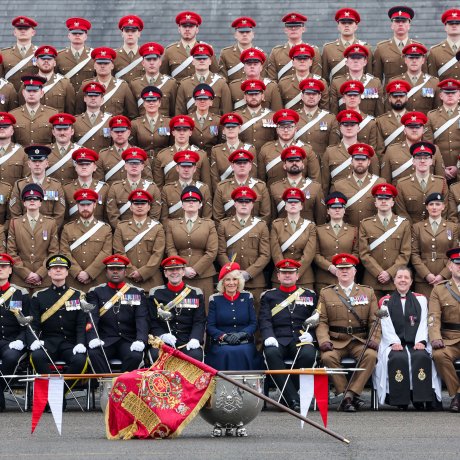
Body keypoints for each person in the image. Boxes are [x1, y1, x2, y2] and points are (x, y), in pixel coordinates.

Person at [316, 253, 380, 412]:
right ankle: (348, 396)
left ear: (354, 271)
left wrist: (374, 338)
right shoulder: (326, 293)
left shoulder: (367, 292)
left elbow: (375, 320)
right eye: (341, 269)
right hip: (336, 341)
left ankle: (348, 395)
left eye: (348, 268)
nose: (344, 271)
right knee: (327, 357)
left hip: (359, 341)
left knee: (371, 356)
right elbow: (321, 321)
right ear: (336, 272)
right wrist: (324, 340)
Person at [375, 266, 442, 410]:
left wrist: (421, 341)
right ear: (394, 281)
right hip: (395, 343)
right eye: (399, 277)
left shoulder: (421, 299)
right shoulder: (385, 301)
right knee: (397, 358)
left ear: (411, 281)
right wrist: (394, 342)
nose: (403, 280)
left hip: (416, 342)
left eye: (406, 277)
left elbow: (424, 321)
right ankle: (400, 400)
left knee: (421, 357)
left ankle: (421, 398)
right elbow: (385, 325)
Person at [259, 258, 318, 412]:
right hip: (277, 337)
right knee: (271, 353)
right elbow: (264, 319)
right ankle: (293, 399)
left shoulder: (310, 295)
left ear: (297, 275)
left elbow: (317, 318)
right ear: (278, 276)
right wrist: (268, 336)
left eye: (291, 273)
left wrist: (311, 335)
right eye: (284, 273)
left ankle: (287, 397)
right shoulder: (268, 296)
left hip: (300, 337)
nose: (287, 275)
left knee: (309, 355)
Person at [29, 254, 88, 399]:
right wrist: (34, 340)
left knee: (80, 359)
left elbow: (81, 324)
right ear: (48, 272)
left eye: (61, 268)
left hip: (70, 343)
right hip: (48, 342)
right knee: (36, 356)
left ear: (67, 272)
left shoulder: (78, 295)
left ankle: (58, 395)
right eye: (54, 268)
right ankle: (52, 394)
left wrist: (80, 343)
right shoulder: (39, 296)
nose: (58, 270)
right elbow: (33, 323)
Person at [86, 254, 149, 373]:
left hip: (128, 340)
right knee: (94, 353)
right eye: (111, 269)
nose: (115, 272)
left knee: (135, 356)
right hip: (105, 340)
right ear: (106, 272)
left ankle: (122, 387)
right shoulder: (96, 292)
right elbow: (92, 317)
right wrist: (93, 337)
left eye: (119, 269)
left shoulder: (137, 292)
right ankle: (105, 386)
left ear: (125, 272)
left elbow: (141, 318)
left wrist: (141, 340)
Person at [217, 186, 270, 309]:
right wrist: (231, 272)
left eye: (248, 202)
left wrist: (248, 273)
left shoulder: (261, 226)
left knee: (255, 313)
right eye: (241, 201)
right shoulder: (224, 224)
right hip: (230, 280)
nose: (244, 204)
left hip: (254, 280)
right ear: (234, 204)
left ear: (252, 205)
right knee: (230, 312)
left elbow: (265, 255)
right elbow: (220, 252)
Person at [165, 185, 217, 307]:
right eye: (187, 201)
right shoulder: (172, 224)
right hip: (179, 273)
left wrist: (195, 269)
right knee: (181, 308)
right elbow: (170, 249)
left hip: (203, 274)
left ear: (200, 205)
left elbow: (212, 251)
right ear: (182, 205)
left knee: (204, 308)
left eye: (195, 201)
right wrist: (183, 268)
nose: (191, 203)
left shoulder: (209, 224)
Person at [359, 183, 411, 299]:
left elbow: (405, 253)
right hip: (372, 280)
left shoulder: (403, 224)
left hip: (395, 280)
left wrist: (390, 273)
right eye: (380, 199)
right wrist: (379, 273)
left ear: (392, 202)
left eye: (387, 198)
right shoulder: (365, 224)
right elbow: (364, 253)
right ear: (375, 203)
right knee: (373, 316)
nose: (383, 201)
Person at [149, 256, 206, 362]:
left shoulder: (195, 293)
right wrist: (162, 336)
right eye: (170, 269)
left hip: (187, 340)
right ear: (165, 273)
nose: (174, 272)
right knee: (156, 355)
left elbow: (199, 320)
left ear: (183, 272)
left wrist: (195, 338)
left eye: (178, 269)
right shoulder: (156, 293)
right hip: (165, 341)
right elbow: (153, 320)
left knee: (195, 356)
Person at [205, 261, 260, 370]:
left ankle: (246, 386)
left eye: (235, 279)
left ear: (239, 281)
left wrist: (242, 334)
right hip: (222, 343)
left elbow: (253, 323)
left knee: (245, 351)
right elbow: (210, 326)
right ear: (222, 283)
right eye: (227, 279)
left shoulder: (247, 297)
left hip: (244, 341)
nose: (231, 283)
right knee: (226, 352)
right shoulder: (215, 299)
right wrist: (224, 336)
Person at [7, 183, 58, 290]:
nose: (32, 201)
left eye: (35, 199)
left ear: (40, 202)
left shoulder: (50, 223)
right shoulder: (15, 223)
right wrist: (26, 274)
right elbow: (11, 252)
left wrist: (40, 274)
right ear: (24, 203)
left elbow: (54, 252)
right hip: (20, 280)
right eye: (28, 199)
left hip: (44, 280)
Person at [113, 189, 165, 293]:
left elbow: (158, 254)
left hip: (152, 280)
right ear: (131, 207)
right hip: (127, 279)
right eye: (136, 203)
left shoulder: (157, 227)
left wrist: (142, 273)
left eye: (143, 203)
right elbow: (119, 252)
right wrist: (131, 271)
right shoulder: (121, 227)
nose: (139, 206)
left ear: (149, 207)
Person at [60, 189, 112, 291]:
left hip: (97, 281)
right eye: (82, 205)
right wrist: (77, 272)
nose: (85, 208)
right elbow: (64, 253)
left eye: (88, 204)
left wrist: (89, 273)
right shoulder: (68, 228)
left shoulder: (105, 229)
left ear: (95, 205)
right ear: (77, 206)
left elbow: (106, 253)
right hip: (73, 281)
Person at [429, 247, 460, 412]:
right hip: (450, 338)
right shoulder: (440, 289)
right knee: (439, 355)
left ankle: (457, 398)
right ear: (450, 266)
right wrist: (435, 337)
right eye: (457, 263)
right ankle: (456, 394)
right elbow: (433, 317)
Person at [321, 109, 379, 196]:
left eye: (352, 125)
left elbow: (374, 180)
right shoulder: (330, 152)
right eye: (345, 125)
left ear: (358, 128)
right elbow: (325, 184)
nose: (349, 128)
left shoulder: (369, 152)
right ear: (340, 128)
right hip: (337, 202)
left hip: (362, 198)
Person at [257, 110, 320, 187]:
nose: (286, 130)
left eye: (290, 127)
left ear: (295, 129)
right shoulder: (266, 150)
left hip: (299, 196)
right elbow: (261, 181)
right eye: (282, 127)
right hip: (275, 197)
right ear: (277, 129)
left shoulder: (307, 150)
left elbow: (315, 181)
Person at [9, 145, 65, 230]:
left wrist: (49, 231)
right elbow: (15, 213)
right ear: (29, 164)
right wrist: (26, 231)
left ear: (46, 163)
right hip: (25, 231)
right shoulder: (19, 185)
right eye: (34, 161)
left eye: (40, 161)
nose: (37, 164)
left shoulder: (56, 186)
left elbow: (59, 214)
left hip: (48, 232)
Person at [0, 253, 30, 412]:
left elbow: (27, 324)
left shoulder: (20, 293)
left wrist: (20, 339)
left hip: (12, 341)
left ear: (10, 270)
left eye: (4, 266)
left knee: (11, 358)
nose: (0, 269)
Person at [270, 187, 317, 289]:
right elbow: (275, 252)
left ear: (301, 206)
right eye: (289, 202)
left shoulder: (310, 226)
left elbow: (309, 253)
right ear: (285, 206)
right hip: (280, 277)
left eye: (296, 202)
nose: (293, 204)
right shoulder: (276, 225)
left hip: (303, 277)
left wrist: (296, 273)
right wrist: (284, 272)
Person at [381, 111, 445, 184]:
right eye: (411, 127)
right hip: (399, 194)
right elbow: (385, 181)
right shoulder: (392, 150)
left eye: (417, 127)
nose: (414, 130)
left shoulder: (434, 150)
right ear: (404, 130)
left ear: (423, 130)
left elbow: (441, 181)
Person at [331, 143, 385, 228]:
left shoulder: (379, 183)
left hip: (372, 232)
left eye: (363, 159)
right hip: (348, 234)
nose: (360, 162)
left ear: (369, 162)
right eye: (357, 159)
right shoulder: (338, 185)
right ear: (352, 161)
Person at [105, 147, 161, 229]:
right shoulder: (115, 187)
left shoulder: (152, 188)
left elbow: (154, 215)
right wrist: (125, 231)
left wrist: (144, 231)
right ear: (125, 166)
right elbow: (113, 216)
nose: (134, 166)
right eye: (131, 163)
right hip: (122, 233)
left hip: (146, 233)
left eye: (137, 163)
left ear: (142, 166)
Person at [75, 47, 138, 120]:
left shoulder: (122, 86)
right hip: (92, 129)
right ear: (94, 65)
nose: (102, 66)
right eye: (99, 63)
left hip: (114, 130)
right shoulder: (86, 85)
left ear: (112, 66)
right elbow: (78, 113)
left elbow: (132, 114)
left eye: (106, 63)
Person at [269, 145, 326, 224]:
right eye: (290, 161)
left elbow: (321, 217)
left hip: (308, 233)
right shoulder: (275, 188)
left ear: (303, 165)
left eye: (297, 160)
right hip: (283, 233)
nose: (294, 163)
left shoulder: (315, 187)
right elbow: (272, 217)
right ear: (284, 166)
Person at [314, 192, 358, 293]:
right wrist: (329, 267)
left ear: (344, 210)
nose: (337, 210)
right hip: (324, 279)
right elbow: (316, 254)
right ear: (328, 211)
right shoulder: (318, 230)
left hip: (347, 278)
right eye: (333, 207)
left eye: (340, 207)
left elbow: (356, 252)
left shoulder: (353, 230)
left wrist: (345, 266)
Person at [395, 141, 447, 224]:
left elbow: (444, 210)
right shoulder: (402, 184)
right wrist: (414, 230)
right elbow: (401, 212)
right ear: (413, 161)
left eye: (426, 158)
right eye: (419, 158)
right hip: (410, 230)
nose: (422, 161)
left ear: (431, 161)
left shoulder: (441, 182)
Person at [213, 149, 270, 223]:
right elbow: (218, 217)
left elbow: (265, 216)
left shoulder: (260, 187)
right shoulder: (222, 187)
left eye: (245, 162)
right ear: (232, 166)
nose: (242, 165)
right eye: (238, 162)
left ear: (250, 166)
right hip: (230, 233)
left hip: (254, 232)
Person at [160, 11, 219, 82]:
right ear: (179, 29)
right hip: (178, 92)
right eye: (184, 26)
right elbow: (163, 78)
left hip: (201, 91)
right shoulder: (169, 51)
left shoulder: (208, 49)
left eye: (191, 26)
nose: (187, 29)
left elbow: (215, 76)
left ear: (197, 30)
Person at [153, 115, 211, 188]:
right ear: (173, 132)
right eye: (178, 130)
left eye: (185, 130)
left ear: (190, 132)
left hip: (193, 198)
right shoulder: (162, 155)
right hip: (170, 198)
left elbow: (206, 185)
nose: (181, 133)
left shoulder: (201, 155)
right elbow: (158, 187)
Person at [175, 43, 231, 116]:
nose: (201, 61)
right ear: (193, 62)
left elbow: (227, 112)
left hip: (215, 126)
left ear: (210, 61)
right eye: (198, 58)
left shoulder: (221, 83)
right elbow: (180, 114)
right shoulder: (184, 84)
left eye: (205, 58)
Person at [17, 45, 75, 114]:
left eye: (49, 59)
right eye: (42, 59)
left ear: (54, 63)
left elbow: (70, 111)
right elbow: (21, 108)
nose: (46, 61)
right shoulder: (26, 83)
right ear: (37, 63)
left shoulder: (65, 84)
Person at [329, 44, 383, 117]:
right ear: (346, 62)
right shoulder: (337, 83)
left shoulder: (375, 83)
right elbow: (334, 112)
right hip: (346, 125)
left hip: (368, 126)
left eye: (359, 58)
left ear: (365, 62)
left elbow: (379, 113)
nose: (356, 61)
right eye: (352, 58)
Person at [97, 117, 153, 185]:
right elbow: (99, 183)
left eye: (122, 131)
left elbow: (148, 181)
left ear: (129, 133)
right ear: (111, 133)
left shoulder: (140, 153)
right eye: (116, 131)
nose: (119, 134)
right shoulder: (103, 155)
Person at [266, 12, 321, 81]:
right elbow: (272, 81)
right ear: (285, 30)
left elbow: (317, 78)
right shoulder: (276, 52)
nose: (293, 28)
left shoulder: (313, 51)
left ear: (303, 29)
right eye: (290, 26)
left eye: (297, 26)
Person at [387, 43, 440, 114]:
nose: (414, 61)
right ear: (405, 60)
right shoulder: (394, 82)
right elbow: (389, 110)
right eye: (411, 58)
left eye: (417, 58)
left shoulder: (434, 82)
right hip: (402, 124)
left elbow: (437, 110)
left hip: (425, 124)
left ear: (423, 60)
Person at [160, 150, 212, 223]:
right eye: (183, 166)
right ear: (177, 168)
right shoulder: (167, 189)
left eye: (189, 166)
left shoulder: (203, 189)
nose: (186, 170)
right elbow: (164, 218)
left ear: (194, 169)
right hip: (174, 231)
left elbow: (206, 218)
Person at [322, 8, 372, 83]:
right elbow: (324, 78)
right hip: (337, 92)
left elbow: (370, 76)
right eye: (343, 23)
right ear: (338, 26)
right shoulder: (328, 49)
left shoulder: (366, 48)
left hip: (358, 92)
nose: (346, 25)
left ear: (356, 27)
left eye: (350, 23)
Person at [209, 112, 256, 192]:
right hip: (224, 194)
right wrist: (221, 194)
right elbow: (214, 178)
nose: (231, 129)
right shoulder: (216, 150)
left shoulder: (250, 149)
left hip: (245, 193)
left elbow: (252, 175)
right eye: (228, 127)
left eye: (234, 126)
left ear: (239, 128)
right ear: (223, 130)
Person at [129, 42, 177, 118]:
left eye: (155, 59)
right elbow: (132, 113)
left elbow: (173, 111)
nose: (151, 63)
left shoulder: (170, 83)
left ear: (160, 62)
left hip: (164, 127)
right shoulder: (135, 84)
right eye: (148, 59)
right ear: (143, 63)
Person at [295, 78, 340, 157]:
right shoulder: (293, 117)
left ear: (319, 97)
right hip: (298, 162)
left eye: (314, 94)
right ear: (302, 96)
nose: (311, 97)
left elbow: (333, 147)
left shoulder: (330, 119)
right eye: (308, 94)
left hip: (320, 163)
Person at [426, 78, 460, 181]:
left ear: (459, 95)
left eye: (453, 92)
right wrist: (440, 168)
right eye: (446, 92)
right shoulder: (431, 116)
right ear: (441, 96)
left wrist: (457, 167)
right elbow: (429, 144)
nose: (450, 95)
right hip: (438, 168)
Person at [373, 6, 419, 81]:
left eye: (404, 21)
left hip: (412, 91)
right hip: (390, 92)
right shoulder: (381, 48)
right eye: (397, 21)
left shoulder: (418, 48)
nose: (400, 24)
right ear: (392, 25)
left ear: (409, 26)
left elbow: (425, 77)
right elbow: (377, 79)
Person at [278, 44, 329, 112]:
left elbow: (324, 110)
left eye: (305, 58)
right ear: (293, 62)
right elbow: (279, 109)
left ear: (311, 62)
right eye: (299, 58)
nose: (302, 61)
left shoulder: (320, 82)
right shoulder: (283, 83)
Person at [63, 147, 108, 223]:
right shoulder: (66, 188)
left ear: (94, 167)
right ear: (75, 167)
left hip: (97, 231)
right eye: (80, 164)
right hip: (74, 231)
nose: (84, 167)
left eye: (87, 164)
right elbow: (64, 217)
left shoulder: (104, 188)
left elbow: (107, 217)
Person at [229, 48, 282, 112]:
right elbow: (229, 113)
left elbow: (276, 112)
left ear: (261, 67)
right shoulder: (234, 86)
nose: (252, 66)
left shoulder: (271, 87)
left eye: (255, 64)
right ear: (244, 68)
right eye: (249, 64)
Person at [10, 76, 57, 146]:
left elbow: (56, 143)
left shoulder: (52, 114)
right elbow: (11, 144)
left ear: (41, 93)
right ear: (23, 93)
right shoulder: (13, 115)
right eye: (28, 91)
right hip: (22, 156)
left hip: (44, 156)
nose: (31, 94)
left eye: (35, 91)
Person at [234, 79, 276, 152]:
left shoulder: (272, 117)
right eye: (250, 94)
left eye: (256, 94)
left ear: (262, 96)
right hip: (243, 159)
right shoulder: (236, 117)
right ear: (245, 97)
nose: (253, 97)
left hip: (266, 157)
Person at [130, 85, 172, 157]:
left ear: (159, 103)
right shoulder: (135, 124)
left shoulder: (168, 122)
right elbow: (132, 145)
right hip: (142, 160)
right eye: (148, 100)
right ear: (143, 103)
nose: (151, 103)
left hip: (162, 160)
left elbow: (172, 145)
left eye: (154, 100)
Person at [56, 17, 94, 91]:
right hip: (65, 98)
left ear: (86, 36)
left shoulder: (93, 56)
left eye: (80, 33)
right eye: (74, 33)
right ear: (69, 36)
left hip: (88, 97)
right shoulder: (59, 56)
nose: (77, 35)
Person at [72, 82, 112, 153]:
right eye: (90, 96)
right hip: (83, 162)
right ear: (85, 98)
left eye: (96, 96)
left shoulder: (110, 121)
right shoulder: (75, 121)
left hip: (102, 162)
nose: (93, 98)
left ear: (102, 99)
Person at [375, 79, 411, 157]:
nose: (398, 99)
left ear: (406, 98)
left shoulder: (414, 119)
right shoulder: (380, 121)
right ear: (390, 99)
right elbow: (379, 151)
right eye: (395, 96)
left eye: (401, 96)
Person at [218, 16, 259, 83]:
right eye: (241, 32)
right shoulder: (226, 54)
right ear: (235, 35)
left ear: (253, 35)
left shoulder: (261, 55)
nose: (245, 34)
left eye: (248, 32)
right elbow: (223, 80)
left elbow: (263, 80)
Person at [1, 16, 38, 91]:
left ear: (33, 33)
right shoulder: (3, 54)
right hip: (10, 99)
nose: (23, 31)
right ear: (14, 32)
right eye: (19, 28)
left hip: (31, 98)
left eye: (26, 28)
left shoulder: (40, 54)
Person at [427, 9, 460, 81]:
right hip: (443, 92)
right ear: (445, 27)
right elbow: (430, 81)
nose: (454, 25)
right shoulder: (434, 52)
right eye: (451, 23)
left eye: (457, 23)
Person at [46, 113, 79, 185]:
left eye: (66, 129)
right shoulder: (45, 151)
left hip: (73, 192)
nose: (62, 133)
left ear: (72, 131)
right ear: (53, 132)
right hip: (52, 193)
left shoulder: (80, 152)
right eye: (59, 129)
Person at [188, 84, 222, 153]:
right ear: (195, 102)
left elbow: (220, 143)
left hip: (211, 158)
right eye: (199, 98)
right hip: (192, 158)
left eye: (205, 98)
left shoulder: (218, 121)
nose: (202, 101)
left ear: (211, 102)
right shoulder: (187, 120)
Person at [113, 15, 144, 83]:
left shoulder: (145, 55)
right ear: (122, 34)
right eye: (127, 31)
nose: (130, 34)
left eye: (133, 31)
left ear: (139, 34)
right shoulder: (113, 55)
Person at [0, 112, 28, 186]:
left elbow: (26, 180)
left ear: (12, 131)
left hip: (14, 196)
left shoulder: (22, 152)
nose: (2, 128)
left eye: (5, 127)